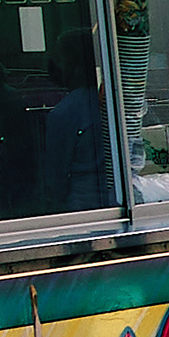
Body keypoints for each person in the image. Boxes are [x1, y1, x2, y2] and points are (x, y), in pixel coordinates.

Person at [39, 27, 112, 213]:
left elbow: (56, 176)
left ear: (75, 65)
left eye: (59, 58)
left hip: (82, 207)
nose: (55, 64)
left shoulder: (64, 112)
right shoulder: (116, 103)